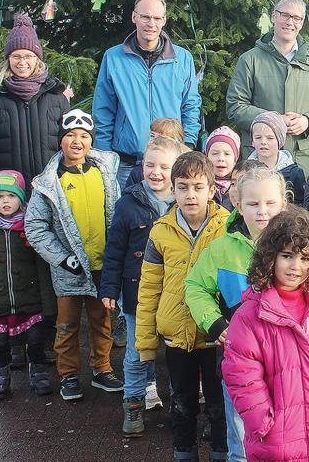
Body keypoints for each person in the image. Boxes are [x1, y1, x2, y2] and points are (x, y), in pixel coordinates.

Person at [222, 207, 309, 461]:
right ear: (270, 257)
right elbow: (241, 376)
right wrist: (264, 423)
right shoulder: (249, 316)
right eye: (287, 256)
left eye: (305, 259)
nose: (296, 267)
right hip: (276, 441)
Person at [186, 166, 289, 462]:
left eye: (270, 203)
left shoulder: (296, 246)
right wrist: (215, 323)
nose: (262, 211)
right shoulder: (221, 249)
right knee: (243, 444)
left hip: (286, 361)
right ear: (238, 204)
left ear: (283, 203)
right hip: (240, 362)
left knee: (286, 436)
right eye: (253, 204)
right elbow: (194, 286)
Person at [24, 109, 125, 401]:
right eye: (70, 135)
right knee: (66, 324)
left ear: (91, 142)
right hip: (68, 269)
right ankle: (68, 375)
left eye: (83, 136)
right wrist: (62, 258)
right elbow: (35, 226)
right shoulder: (48, 183)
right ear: (61, 141)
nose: (77, 141)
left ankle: (102, 369)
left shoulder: (104, 173)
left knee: (101, 321)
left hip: (102, 265)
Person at [135, 151, 230, 460]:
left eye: (198, 186)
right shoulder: (160, 232)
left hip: (216, 337)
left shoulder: (228, 228)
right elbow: (149, 289)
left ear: (212, 189)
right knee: (182, 402)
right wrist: (146, 343)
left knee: (218, 405)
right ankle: (184, 453)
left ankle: (220, 452)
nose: (191, 194)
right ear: (172, 190)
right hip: (176, 335)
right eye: (183, 186)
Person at [98, 136, 183, 436]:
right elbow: (114, 249)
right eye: (150, 165)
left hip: (174, 295)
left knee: (176, 353)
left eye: (164, 166)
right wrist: (109, 288)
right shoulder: (128, 204)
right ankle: (133, 405)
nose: (156, 172)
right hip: (137, 296)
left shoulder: (182, 205)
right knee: (136, 354)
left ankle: (181, 405)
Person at [0, 13, 71, 223]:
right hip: (7, 200)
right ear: (8, 59)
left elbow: (70, 148)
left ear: (37, 59)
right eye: (16, 56)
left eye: (28, 56)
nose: (23, 62)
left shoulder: (56, 97)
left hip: (50, 198)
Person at [0, 170, 56, 399]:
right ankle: (1, 376)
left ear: (21, 199)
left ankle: (38, 372)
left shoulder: (31, 229)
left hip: (30, 299)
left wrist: (49, 305)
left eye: (11, 196)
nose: (6, 201)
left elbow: (43, 269)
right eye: (0, 196)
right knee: (0, 342)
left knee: (36, 339)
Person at [93, 0, 202, 185]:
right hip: (126, 164)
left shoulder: (182, 59)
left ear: (164, 21)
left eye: (157, 18)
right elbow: (103, 111)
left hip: (170, 162)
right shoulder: (113, 58)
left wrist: (188, 145)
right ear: (134, 17)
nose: (151, 23)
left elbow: (191, 106)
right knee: (126, 214)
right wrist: (103, 157)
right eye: (145, 17)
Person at [226, 0, 309, 175]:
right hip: (260, 159)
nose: (290, 22)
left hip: (305, 158)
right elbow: (235, 106)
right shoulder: (250, 60)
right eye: (285, 15)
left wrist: (308, 121)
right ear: (273, 16)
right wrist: (274, 121)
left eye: (296, 18)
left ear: (302, 23)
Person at [247, 110, 306, 203]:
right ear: (252, 142)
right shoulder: (246, 171)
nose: (263, 142)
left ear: (280, 141)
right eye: (258, 138)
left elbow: (300, 205)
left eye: (270, 138)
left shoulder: (294, 173)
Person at [123, 117, 186, 188]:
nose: (152, 141)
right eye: (152, 136)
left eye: (160, 138)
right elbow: (128, 195)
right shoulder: (138, 172)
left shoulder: (185, 173)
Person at [204, 126, 242, 212]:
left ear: (235, 159)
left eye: (227, 154)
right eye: (215, 153)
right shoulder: (201, 185)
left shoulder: (242, 187)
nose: (221, 158)